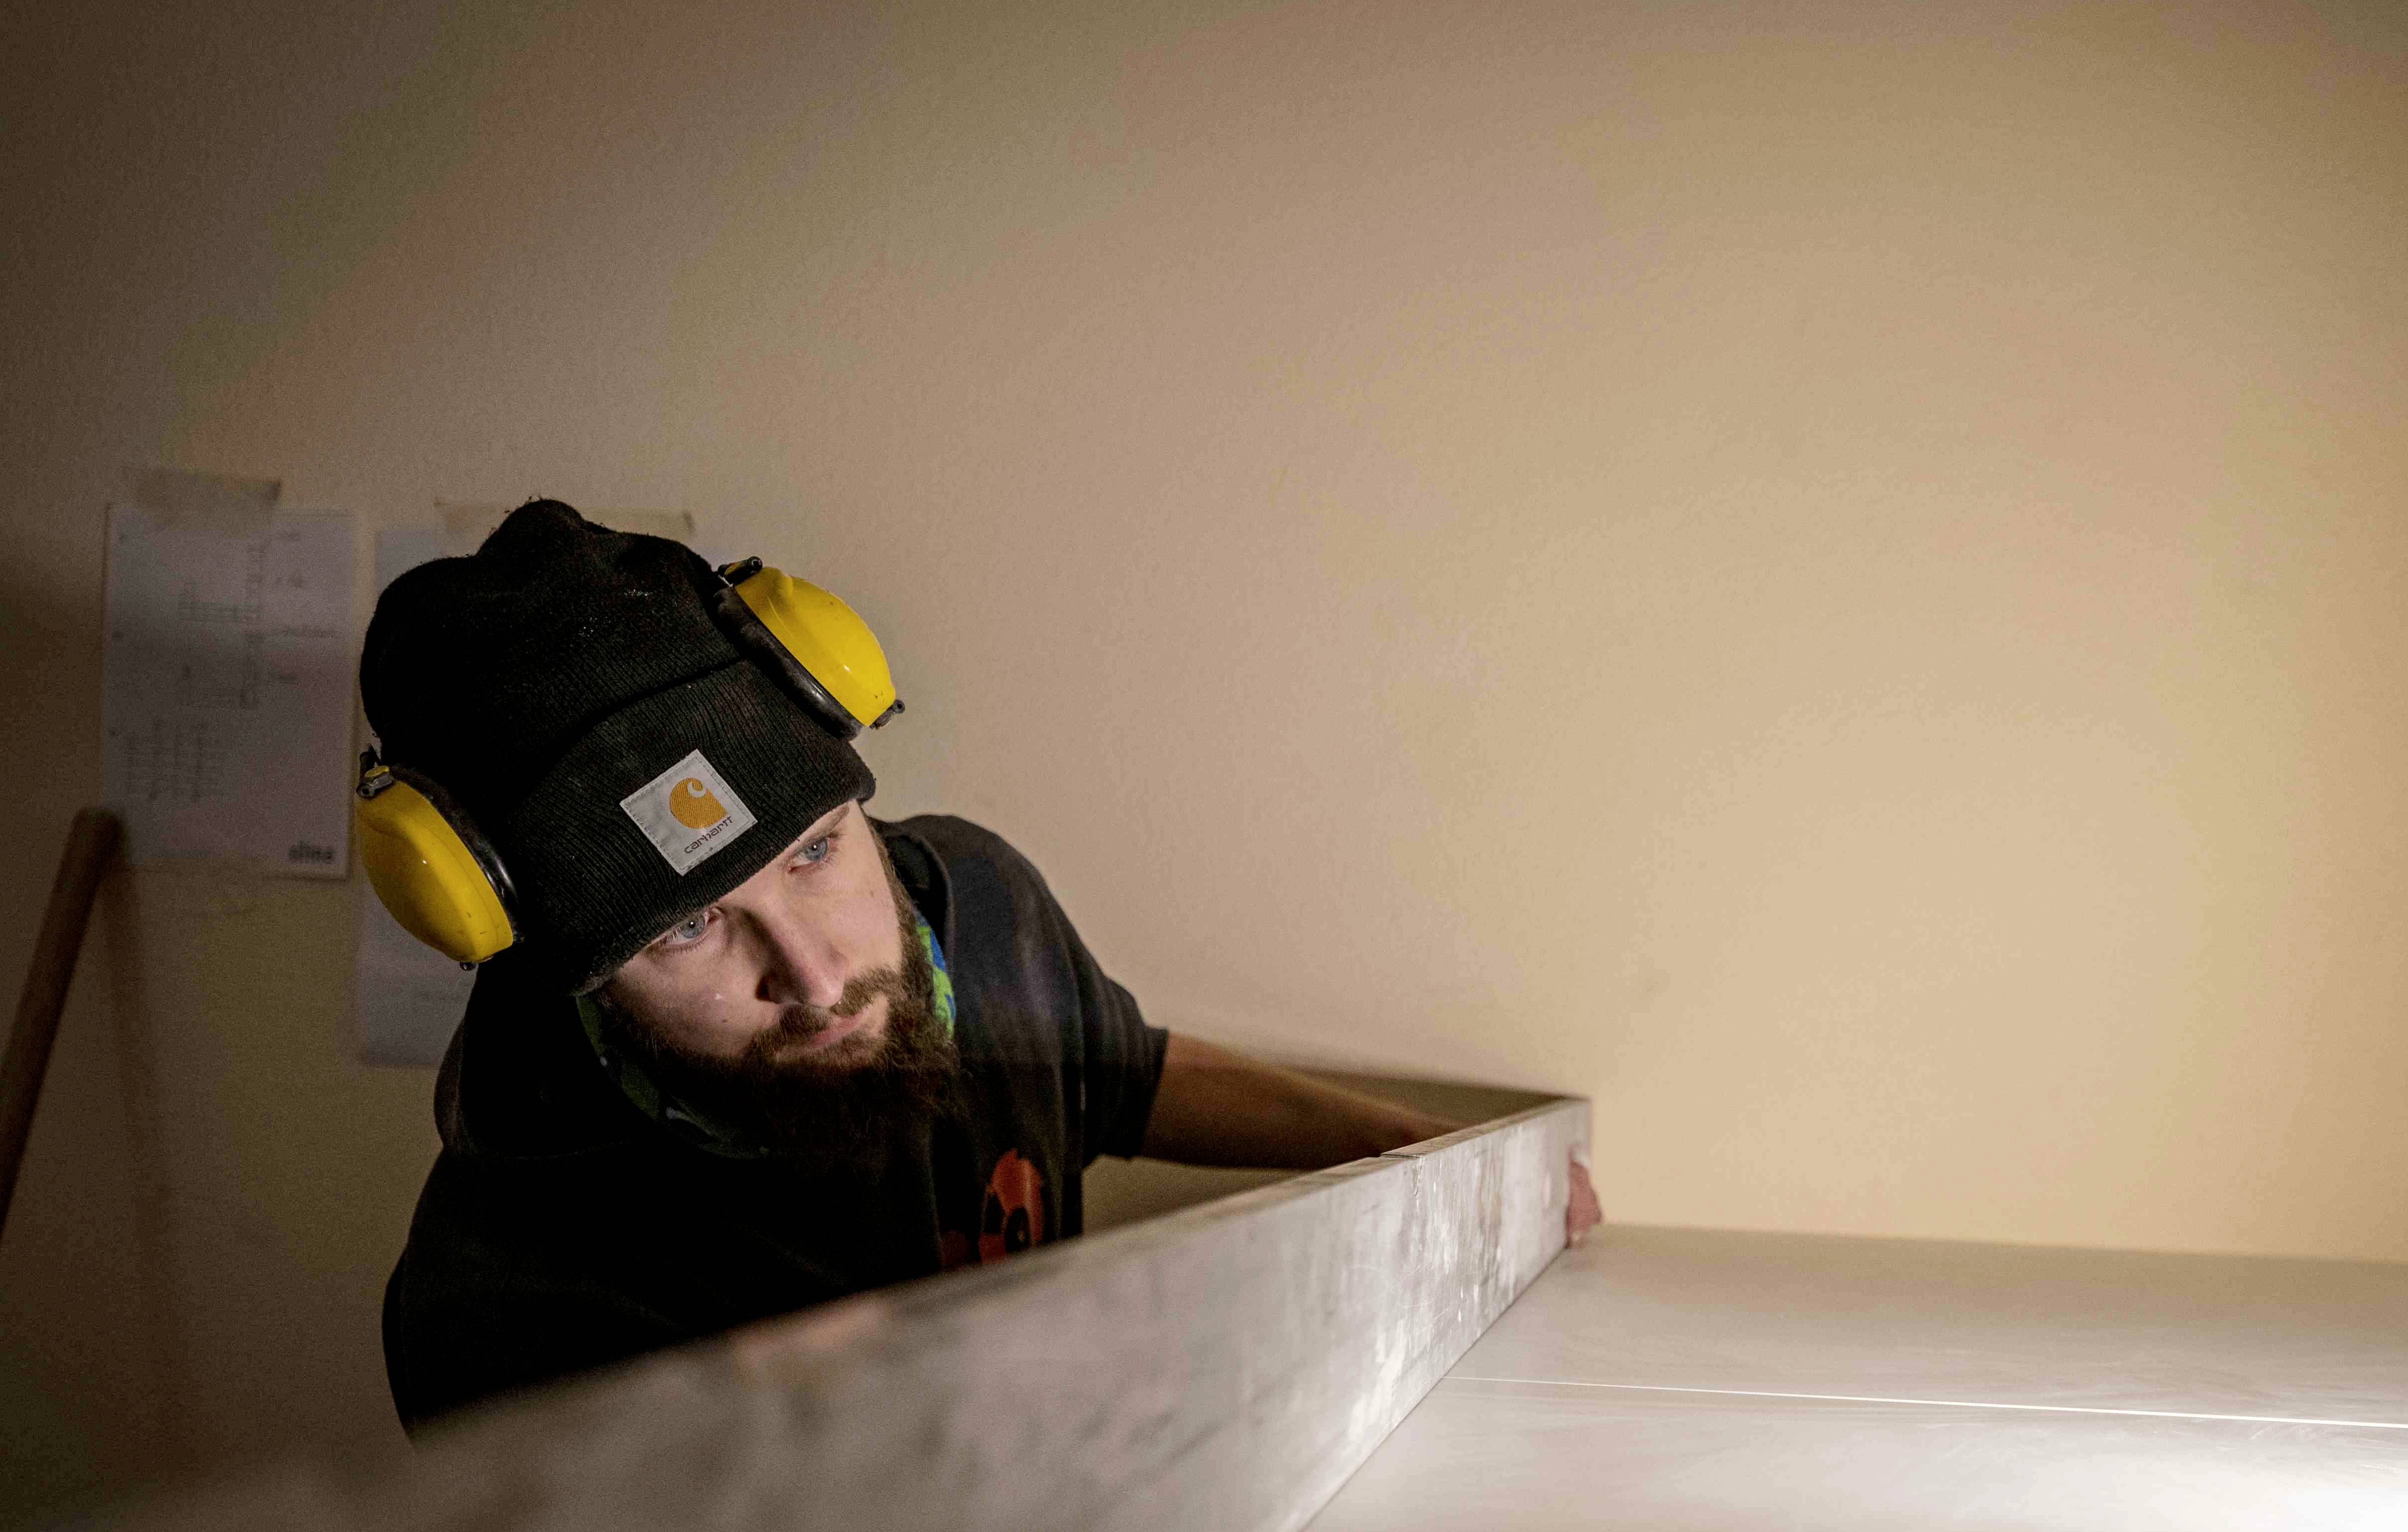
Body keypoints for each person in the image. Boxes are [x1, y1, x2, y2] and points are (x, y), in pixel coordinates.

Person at [362, 501, 1595, 1431]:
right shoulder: (516, 1306)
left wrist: (1436, 1161)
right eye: (685, 929)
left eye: (811, 854)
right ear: (556, 969)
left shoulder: (977, 897)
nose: (815, 972)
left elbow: (1119, 1074)